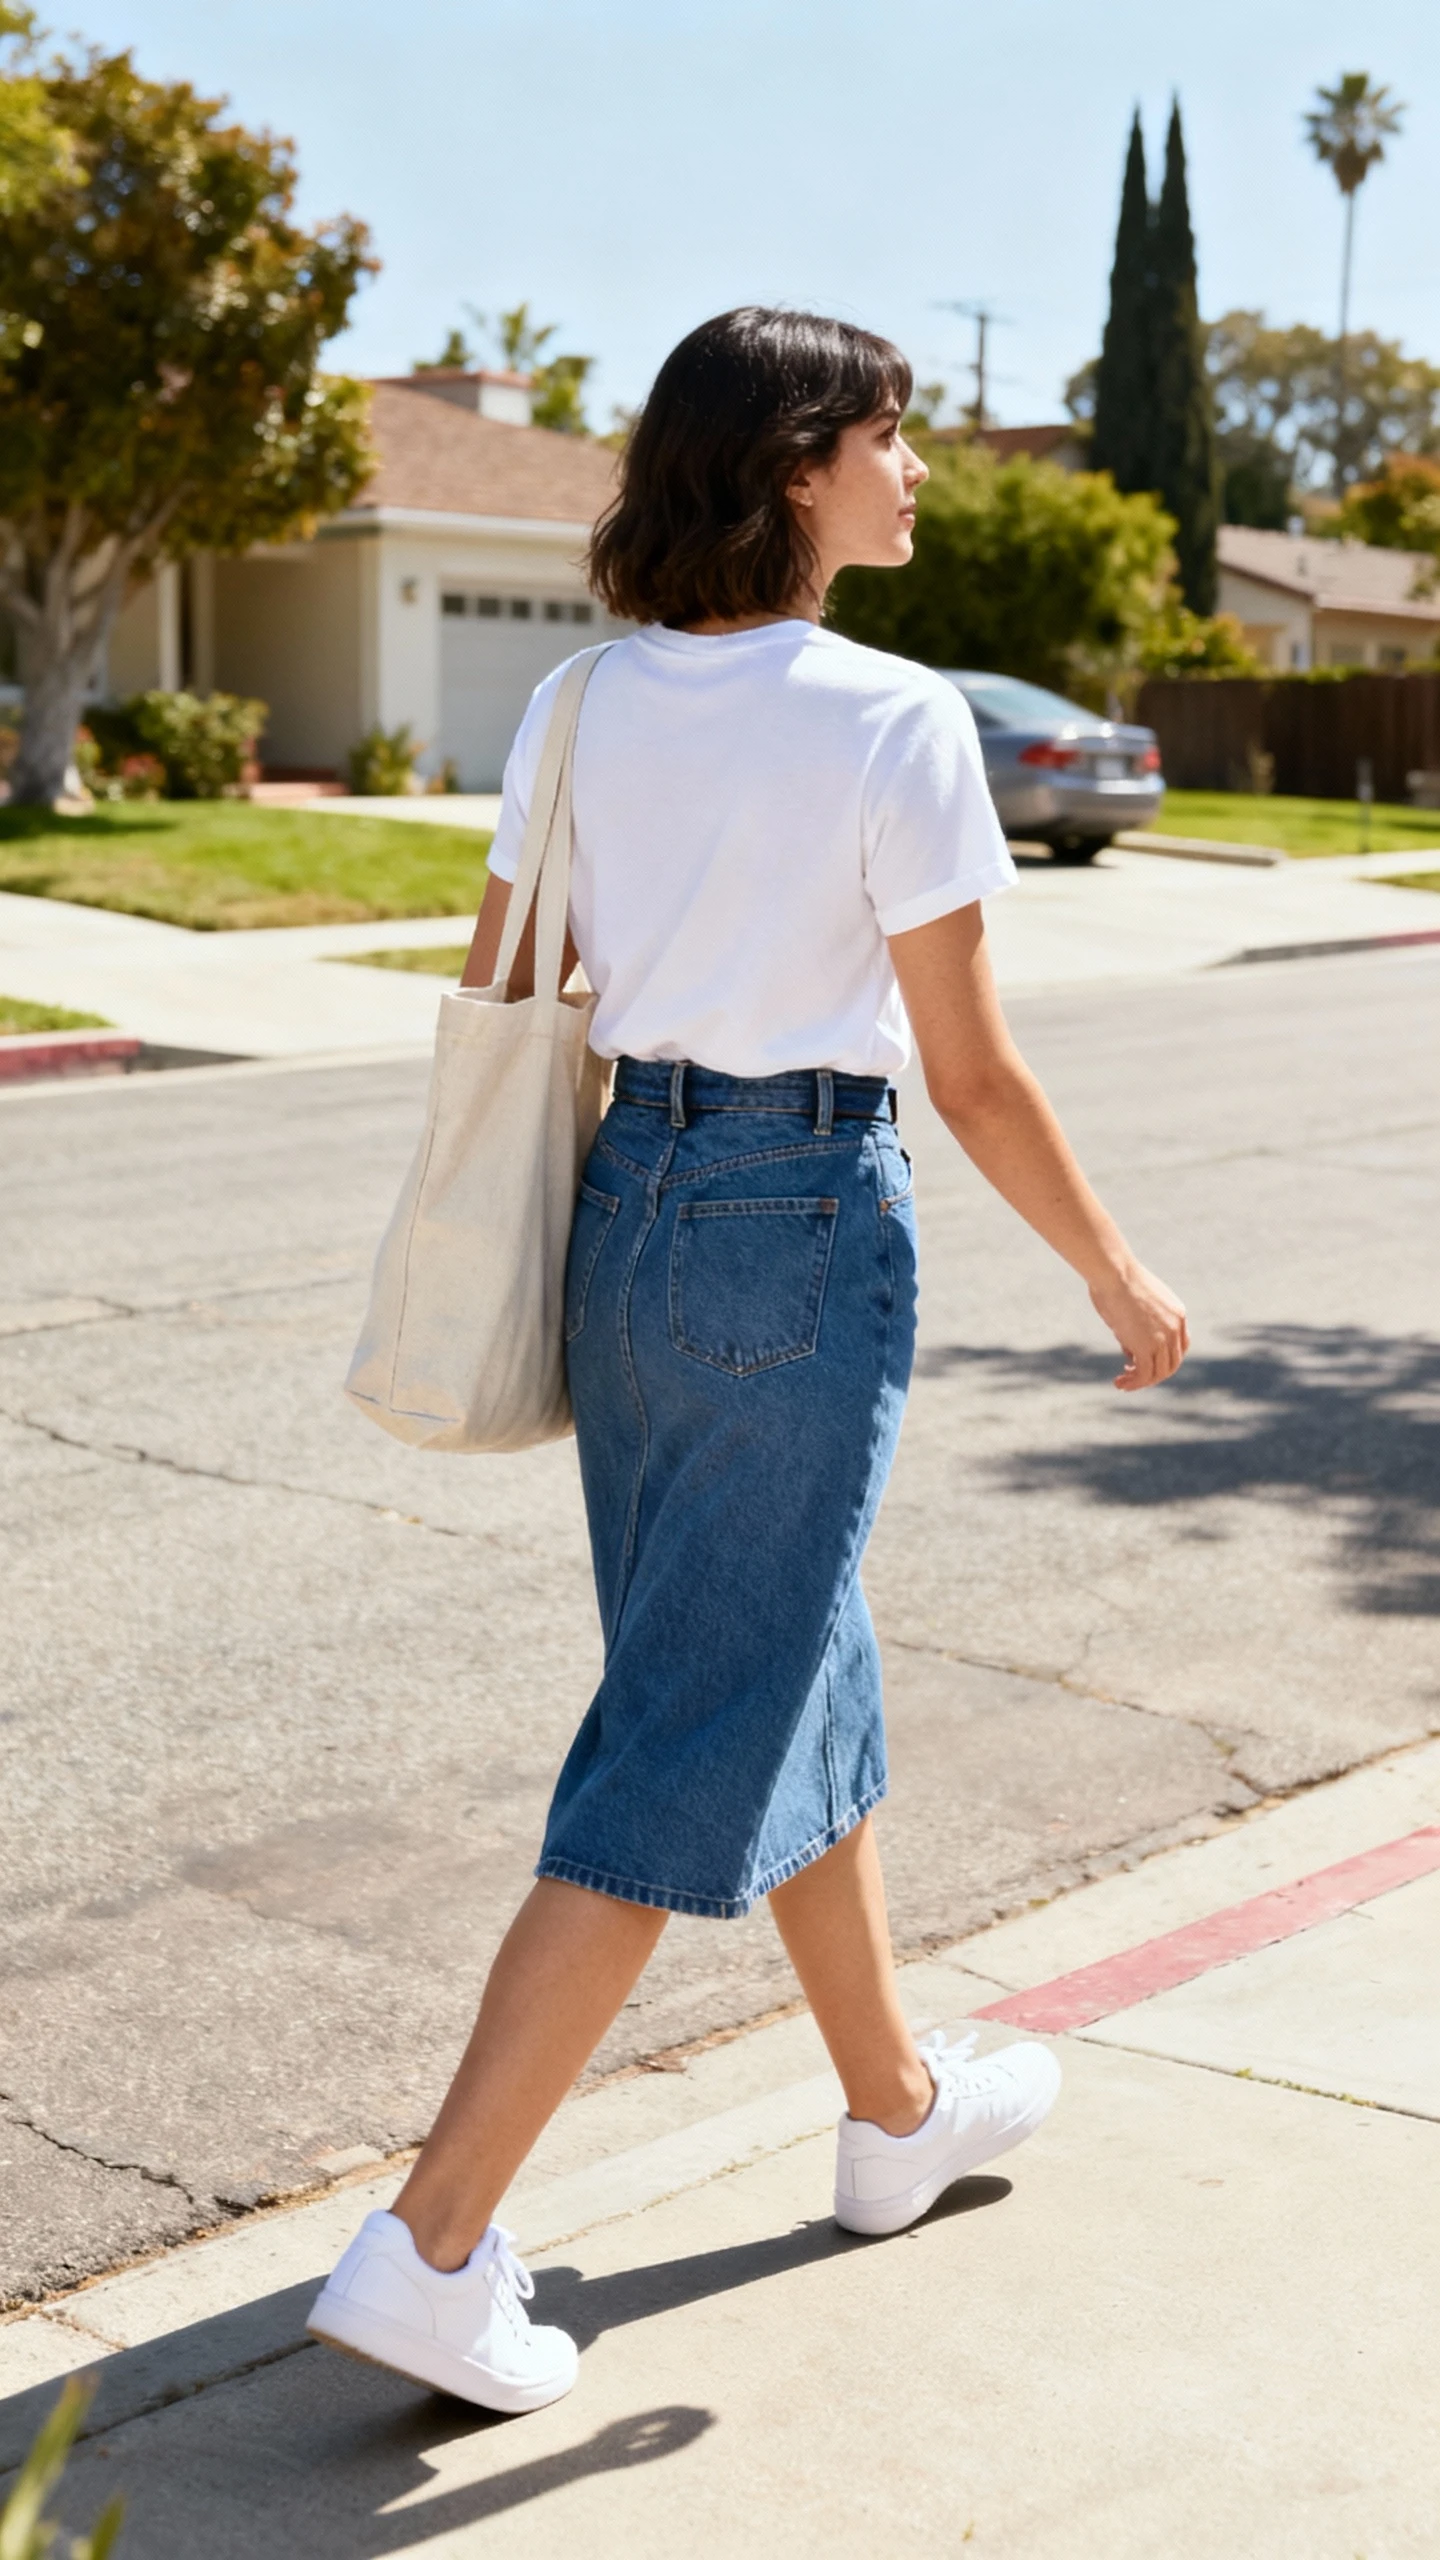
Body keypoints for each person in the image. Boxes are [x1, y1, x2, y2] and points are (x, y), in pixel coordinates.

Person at [308, 307, 1188, 2413]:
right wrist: (1118, 1267)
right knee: (695, 1719)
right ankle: (432, 2246)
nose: (919, 471)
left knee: (794, 1651)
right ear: (798, 464)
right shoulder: (892, 719)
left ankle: (895, 2104)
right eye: (892, 437)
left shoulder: (584, 700)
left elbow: (506, 977)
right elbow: (968, 1071)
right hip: (798, 1221)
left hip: (628, 1210)